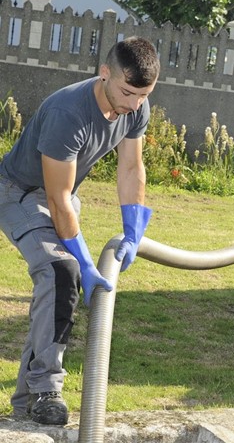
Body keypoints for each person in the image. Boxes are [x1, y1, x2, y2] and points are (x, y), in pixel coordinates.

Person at [0, 36, 160, 426]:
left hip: (62, 195)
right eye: (128, 92)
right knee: (61, 272)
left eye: (143, 95)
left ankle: (24, 404)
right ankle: (45, 389)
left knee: (58, 282)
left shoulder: (134, 104)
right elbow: (55, 199)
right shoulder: (67, 112)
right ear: (105, 73)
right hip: (17, 192)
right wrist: (87, 263)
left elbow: (131, 168)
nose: (134, 104)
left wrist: (133, 227)